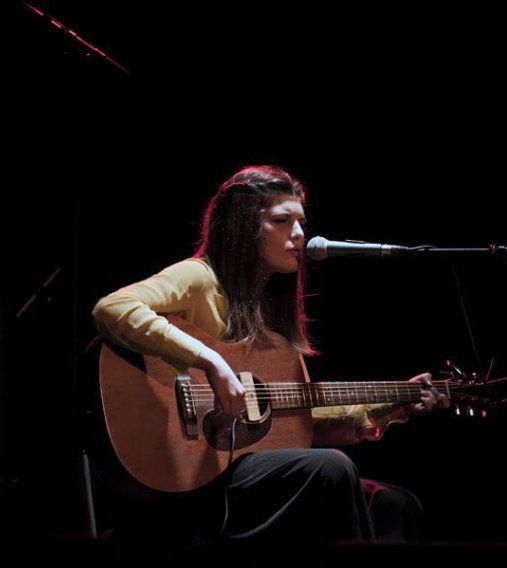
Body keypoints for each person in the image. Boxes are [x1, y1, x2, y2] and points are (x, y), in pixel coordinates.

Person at [90, 164, 448, 557]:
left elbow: (300, 424)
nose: (299, 235)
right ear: (246, 226)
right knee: (331, 469)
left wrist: (391, 407)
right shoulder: (199, 278)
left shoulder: (272, 313)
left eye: (301, 222)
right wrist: (211, 361)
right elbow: (114, 307)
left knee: (396, 504)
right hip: (194, 476)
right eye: (283, 221)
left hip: (241, 469)